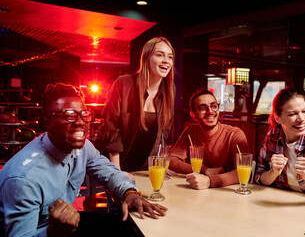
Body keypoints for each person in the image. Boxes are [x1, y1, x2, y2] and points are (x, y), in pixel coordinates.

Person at [0, 83, 167, 237]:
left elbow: (109, 172)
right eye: (69, 115)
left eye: (83, 114)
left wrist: (130, 193)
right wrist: (52, 233)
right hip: (46, 232)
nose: (80, 122)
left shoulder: (83, 147)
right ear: (47, 123)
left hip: (65, 226)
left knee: (125, 228)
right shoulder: (23, 179)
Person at [95, 36, 175, 172]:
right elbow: (111, 128)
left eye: (170, 57)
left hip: (144, 168)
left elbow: (162, 135)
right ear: (147, 58)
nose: (166, 61)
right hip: (112, 164)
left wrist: (159, 165)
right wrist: (117, 171)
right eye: (160, 55)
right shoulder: (124, 83)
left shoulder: (169, 90)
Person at [169, 88, 249, 189]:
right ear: (193, 115)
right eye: (203, 108)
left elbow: (243, 171)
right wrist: (204, 170)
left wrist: (210, 181)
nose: (210, 111)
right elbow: (171, 160)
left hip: (227, 194)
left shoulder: (235, 134)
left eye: (214, 106)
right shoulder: (190, 132)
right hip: (194, 193)